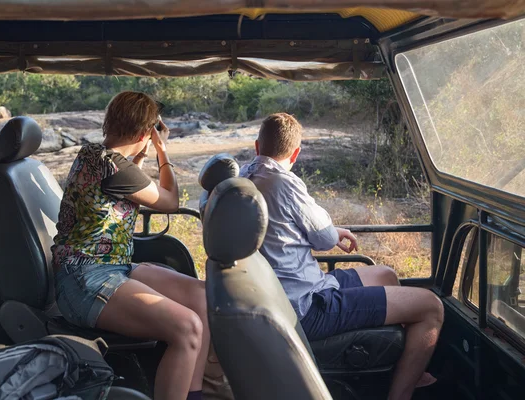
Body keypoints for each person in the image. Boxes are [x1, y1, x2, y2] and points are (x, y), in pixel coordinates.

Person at [239, 113, 444, 400]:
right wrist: (332, 232)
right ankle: (401, 394)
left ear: (258, 146)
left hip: (295, 290)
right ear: (295, 153)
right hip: (308, 307)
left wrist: (333, 231)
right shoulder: (283, 182)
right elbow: (322, 238)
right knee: (431, 307)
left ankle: (401, 366)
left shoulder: (242, 178)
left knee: (385, 274)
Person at [51, 91, 209, 400]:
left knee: (202, 300)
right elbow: (170, 201)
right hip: (86, 278)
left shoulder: (92, 153)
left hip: (108, 267)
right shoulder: (115, 169)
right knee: (188, 327)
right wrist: (163, 153)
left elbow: (125, 181)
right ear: (143, 133)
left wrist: (140, 154)